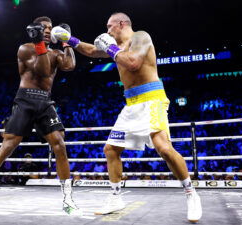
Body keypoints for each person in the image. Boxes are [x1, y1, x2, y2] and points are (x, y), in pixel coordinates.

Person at [51, 12, 202, 222]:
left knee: (164, 148)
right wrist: (70, 39)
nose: (107, 30)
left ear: (121, 24)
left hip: (152, 99)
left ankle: (191, 194)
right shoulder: (116, 47)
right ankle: (115, 197)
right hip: (131, 104)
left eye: (110, 26)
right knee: (110, 149)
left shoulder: (141, 37)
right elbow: (93, 51)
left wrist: (109, 47)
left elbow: (133, 63)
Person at [0, 16, 82, 218]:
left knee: (60, 145)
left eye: (50, 28)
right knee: (8, 147)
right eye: (43, 28)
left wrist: (67, 41)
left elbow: (70, 65)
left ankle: (68, 199)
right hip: (25, 100)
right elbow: (43, 71)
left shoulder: (55, 52)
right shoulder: (26, 48)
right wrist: (39, 43)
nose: (47, 30)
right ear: (36, 30)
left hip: (45, 102)